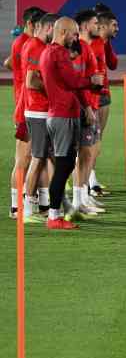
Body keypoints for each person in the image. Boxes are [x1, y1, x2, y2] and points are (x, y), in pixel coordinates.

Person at [40, 17, 102, 229]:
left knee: (63, 165)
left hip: (58, 113)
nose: (77, 38)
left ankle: (63, 209)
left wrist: (85, 104)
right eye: (74, 34)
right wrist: (92, 83)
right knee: (64, 165)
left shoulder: (48, 52)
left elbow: (70, 84)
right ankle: (54, 216)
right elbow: (73, 81)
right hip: (63, 115)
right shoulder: (58, 53)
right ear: (63, 31)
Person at [20, 12, 57, 222]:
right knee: (38, 158)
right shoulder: (35, 47)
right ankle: (27, 210)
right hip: (38, 110)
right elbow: (31, 81)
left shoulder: (35, 45)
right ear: (49, 28)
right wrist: (54, 90)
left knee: (44, 158)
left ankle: (42, 206)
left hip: (39, 110)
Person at [8, 6, 44, 219]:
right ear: (32, 24)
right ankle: (16, 206)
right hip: (25, 108)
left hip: (26, 104)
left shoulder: (23, 44)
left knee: (32, 158)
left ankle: (27, 202)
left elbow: (10, 64)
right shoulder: (26, 44)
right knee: (24, 158)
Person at [69, 9, 106, 218]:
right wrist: (88, 106)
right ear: (83, 26)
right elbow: (80, 80)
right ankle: (77, 199)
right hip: (83, 108)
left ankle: (82, 197)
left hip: (88, 104)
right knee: (82, 155)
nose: (97, 26)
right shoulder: (80, 48)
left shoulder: (86, 47)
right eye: (94, 23)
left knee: (87, 154)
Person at [86, 10, 119, 197]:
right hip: (93, 96)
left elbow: (113, 64)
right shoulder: (91, 44)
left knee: (96, 139)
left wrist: (108, 44)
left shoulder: (103, 44)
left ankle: (91, 180)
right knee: (90, 140)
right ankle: (87, 183)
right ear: (103, 26)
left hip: (104, 94)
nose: (117, 29)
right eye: (114, 25)